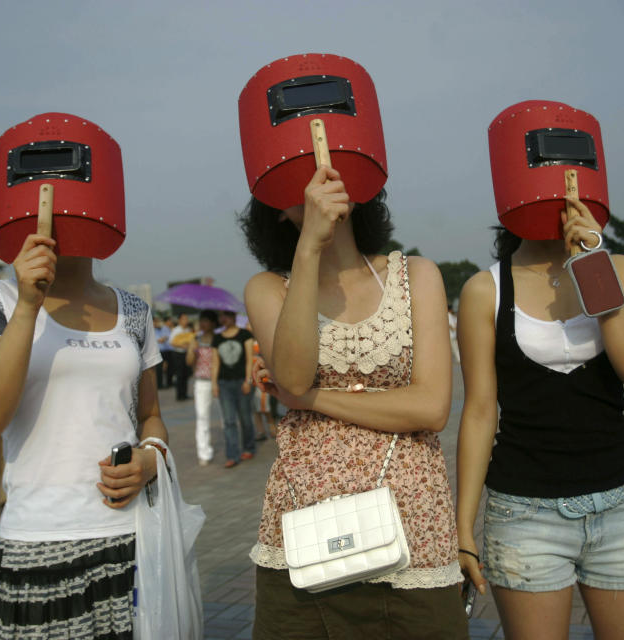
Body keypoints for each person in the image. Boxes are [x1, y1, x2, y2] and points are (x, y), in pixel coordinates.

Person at [240, 53, 467, 639]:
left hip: (416, 540)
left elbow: (430, 408)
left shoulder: (417, 275)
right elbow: (290, 374)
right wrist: (310, 247)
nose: (315, 188)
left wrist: (314, 400)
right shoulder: (269, 289)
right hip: (303, 540)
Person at [458, 99, 624, 639]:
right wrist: (463, 525)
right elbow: (479, 411)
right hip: (523, 514)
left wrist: (591, 263)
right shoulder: (485, 290)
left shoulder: (621, 270)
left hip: (621, 506)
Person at [0, 112, 168, 639]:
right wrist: (29, 305)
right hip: (37, 539)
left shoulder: (134, 310)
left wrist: (152, 458)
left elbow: (150, 415)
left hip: (130, 537)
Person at [212, 310, 256, 468]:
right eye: (221, 316)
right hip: (224, 384)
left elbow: (250, 360)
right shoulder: (217, 338)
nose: (224, 318)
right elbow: (215, 363)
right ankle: (232, 455)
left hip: (241, 382)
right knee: (229, 420)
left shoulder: (245, 334)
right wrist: (214, 384)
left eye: (227, 315)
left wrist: (248, 380)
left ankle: (249, 447)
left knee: (245, 418)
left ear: (233, 317)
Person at [186, 309, 218, 466]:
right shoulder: (196, 339)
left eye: (206, 321)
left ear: (213, 323)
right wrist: (192, 351)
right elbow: (189, 362)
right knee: (202, 416)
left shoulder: (218, 339)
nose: (203, 324)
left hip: (218, 381)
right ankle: (204, 452)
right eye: (201, 321)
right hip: (201, 382)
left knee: (226, 417)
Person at [168, 313, 193, 400]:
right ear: (179, 320)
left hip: (186, 354)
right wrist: (181, 346)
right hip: (178, 354)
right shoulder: (176, 330)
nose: (186, 321)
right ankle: (179, 395)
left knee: (186, 374)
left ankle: (184, 394)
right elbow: (171, 342)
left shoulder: (188, 330)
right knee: (179, 375)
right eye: (184, 319)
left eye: (186, 319)